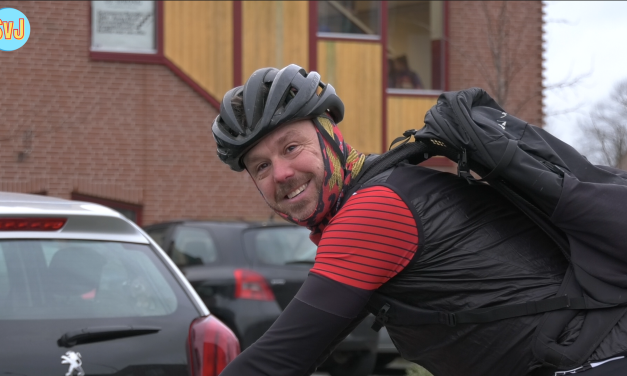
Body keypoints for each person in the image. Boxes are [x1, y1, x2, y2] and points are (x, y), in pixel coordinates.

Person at [212, 64, 627, 376]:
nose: (281, 173)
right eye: (261, 167)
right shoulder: (394, 184)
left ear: (329, 137)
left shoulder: (373, 212)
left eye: (291, 147)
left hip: (595, 356)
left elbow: (281, 358)